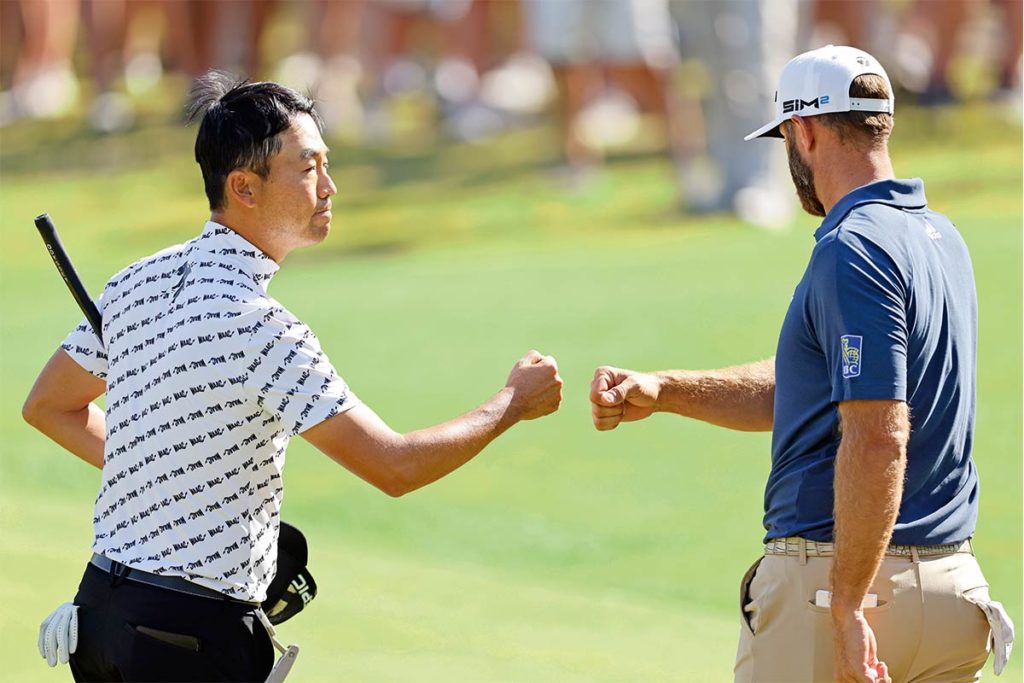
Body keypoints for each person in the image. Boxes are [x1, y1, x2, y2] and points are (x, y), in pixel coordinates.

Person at [23, 71, 563, 682]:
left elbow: (50, 406)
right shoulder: (265, 330)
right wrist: (511, 402)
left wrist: (172, 476)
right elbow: (395, 467)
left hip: (97, 618)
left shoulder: (135, 281)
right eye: (307, 169)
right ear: (244, 188)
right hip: (188, 640)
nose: (330, 187)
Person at [589, 45, 1013, 682]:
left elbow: (877, 437)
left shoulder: (853, 248)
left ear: (804, 130)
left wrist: (845, 608)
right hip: (953, 592)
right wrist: (666, 390)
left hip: (846, 591)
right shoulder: (941, 239)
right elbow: (827, 388)